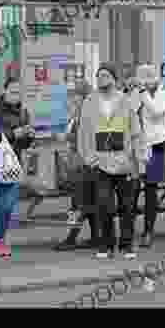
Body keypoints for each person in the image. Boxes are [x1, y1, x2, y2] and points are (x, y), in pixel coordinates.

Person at [76, 62, 144, 259]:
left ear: (114, 79)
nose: (101, 79)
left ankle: (127, 245)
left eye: (105, 75)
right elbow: (84, 132)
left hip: (125, 161)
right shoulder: (89, 101)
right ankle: (105, 245)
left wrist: (138, 160)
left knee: (128, 206)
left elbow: (136, 131)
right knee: (104, 204)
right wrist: (89, 158)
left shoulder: (125, 100)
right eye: (99, 76)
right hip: (100, 162)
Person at [0, 77, 35, 258]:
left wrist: (28, 136)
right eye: (12, 92)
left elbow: (24, 144)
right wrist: (14, 133)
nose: (16, 96)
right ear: (4, 91)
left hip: (12, 164)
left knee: (7, 204)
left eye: (19, 92)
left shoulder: (24, 113)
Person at [130, 64, 165, 247]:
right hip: (137, 145)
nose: (146, 82)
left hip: (156, 146)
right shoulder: (138, 93)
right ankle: (128, 229)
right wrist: (131, 93)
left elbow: (156, 112)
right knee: (131, 188)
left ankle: (148, 231)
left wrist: (142, 93)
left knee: (150, 188)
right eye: (143, 78)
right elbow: (129, 111)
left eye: (149, 78)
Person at [54, 80, 98, 251]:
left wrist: (68, 138)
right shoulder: (78, 116)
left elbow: (85, 139)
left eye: (74, 96)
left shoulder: (88, 115)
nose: (71, 99)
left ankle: (72, 238)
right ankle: (96, 237)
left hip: (85, 166)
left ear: (83, 97)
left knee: (77, 204)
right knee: (89, 204)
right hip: (81, 165)